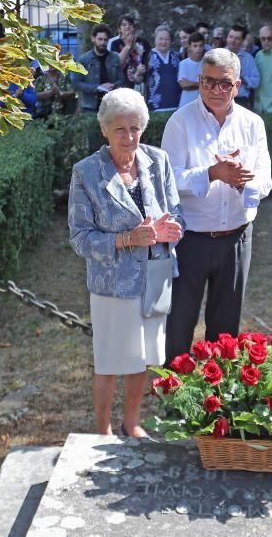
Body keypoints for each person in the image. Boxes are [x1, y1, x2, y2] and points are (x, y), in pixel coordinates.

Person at [68, 88, 184, 439]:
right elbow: (80, 238)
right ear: (104, 129)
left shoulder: (158, 160)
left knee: (145, 355)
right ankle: (102, 429)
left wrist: (168, 231)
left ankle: (131, 422)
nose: (130, 137)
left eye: (135, 128)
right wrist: (127, 240)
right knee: (110, 360)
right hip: (112, 285)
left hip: (156, 276)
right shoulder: (86, 172)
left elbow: (176, 213)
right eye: (120, 129)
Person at [160, 48, 272, 363]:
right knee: (179, 323)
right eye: (207, 82)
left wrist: (239, 181)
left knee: (225, 330)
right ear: (198, 81)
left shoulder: (252, 123)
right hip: (190, 238)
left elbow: (264, 180)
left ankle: (218, 401)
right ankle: (175, 400)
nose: (215, 90)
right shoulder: (180, 121)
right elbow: (168, 179)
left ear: (237, 86)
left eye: (224, 84)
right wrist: (211, 173)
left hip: (237, 237)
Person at [76, 23, 125, 114]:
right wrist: (98, 87)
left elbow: (121, 79)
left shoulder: (115, 58)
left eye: (105, 40)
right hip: (90, 107)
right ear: (93, 39)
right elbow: (77, 83)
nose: (102, 43)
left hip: (111, 106)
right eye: (100, 39)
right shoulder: (84, 60)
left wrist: (112, 86)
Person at [137, 26, 182, 113]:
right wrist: (138, 73)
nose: (163, 42)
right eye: (160, 39)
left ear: (171, 41)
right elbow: (137, 80)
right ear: (155, 39)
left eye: (167, 39)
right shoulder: (147, 56)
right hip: (155, 108)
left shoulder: (177, 56)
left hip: (177, 107)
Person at [225, 25, 260, 108]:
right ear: (227, 38)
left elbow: (256, 81)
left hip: (241, 100)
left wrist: (242, 78)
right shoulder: (217, 55)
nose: (232, 41)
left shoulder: (248, 58)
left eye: (237, 38)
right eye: (231, 37)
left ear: (242, 41)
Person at [177, 32, 206, 108]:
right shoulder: (183, 64)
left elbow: (209, 85)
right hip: (186, 104)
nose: (198, 49)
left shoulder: (207, 64)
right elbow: (184, 86)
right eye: (195, 46)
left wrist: (191, 83)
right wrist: (201, 84)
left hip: (202, 104)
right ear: (189, 47)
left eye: (200, 46)